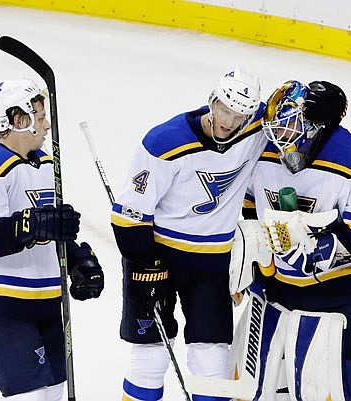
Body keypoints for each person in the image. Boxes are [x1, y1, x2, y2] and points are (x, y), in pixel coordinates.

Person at [230, 80, 351, 401]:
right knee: (258, 382)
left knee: (330, 384)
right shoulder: (263, 152)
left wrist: (320, 252)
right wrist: (252, 257)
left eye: (289, 126)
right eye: (275, 127)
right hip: (275, 289)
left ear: (315, 125)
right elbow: (251, 207)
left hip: (340, 297)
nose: (278, 136)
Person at [110, 67, 267, 401]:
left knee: (213, 364)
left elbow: (289, 112)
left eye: (238, 115)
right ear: (211, 101)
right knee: (150, 361)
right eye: (223, 109)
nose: (228, 121)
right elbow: (129, 215)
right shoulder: (164, 143)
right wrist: (144, 262)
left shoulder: (257, 130)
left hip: (211, 267)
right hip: (156, 260)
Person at [0, 79, 104, 401]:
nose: (47, 124)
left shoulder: (46, 164)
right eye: (39, 116)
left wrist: (74, 257)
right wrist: (32, 225)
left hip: (46, 299)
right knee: (31, 396)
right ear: (17, 119)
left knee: (53, 393)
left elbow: (48, 227)